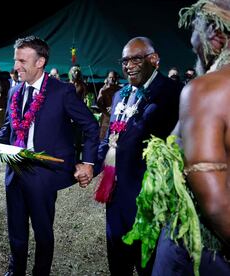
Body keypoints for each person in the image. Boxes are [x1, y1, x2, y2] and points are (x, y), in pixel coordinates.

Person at [0, 35, 100, 276]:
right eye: (15, 60)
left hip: (44, 174)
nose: (16, 66)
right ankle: (15, 271)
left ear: (40, 62)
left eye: (22, 60)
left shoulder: (62, 91)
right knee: (16, 231)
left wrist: (88, 161)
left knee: (43, 232)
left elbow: (91, 127)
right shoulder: (15, 92)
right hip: (14, 171)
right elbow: (9, 128)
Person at [152, 1, 230, 274]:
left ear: (215, 34)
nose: (192, 44)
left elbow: (215, 203)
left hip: (201, 250)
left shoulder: (206, 91)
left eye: (193, 31)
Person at [94, 37, 182, 275]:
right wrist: (89, 165)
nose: (128, 65)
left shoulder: (174, 93)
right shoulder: (120, 95)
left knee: (148, 265)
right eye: (125, 60)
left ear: (153, 60)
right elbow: (109, 140)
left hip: (149, 199)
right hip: (115, 198)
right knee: (118, 264)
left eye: (135, 59)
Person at [97, 70, 121, 140]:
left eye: (113, 77)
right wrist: (105, 111)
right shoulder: (103, 90)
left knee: (116, 138)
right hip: (106, 117)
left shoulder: (120, 89)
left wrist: (114, 108)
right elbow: (99, 103)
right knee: (103, 138)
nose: (112, 79)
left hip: (116, 116)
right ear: (107, 78)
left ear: (116, 78)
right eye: (110, 77)